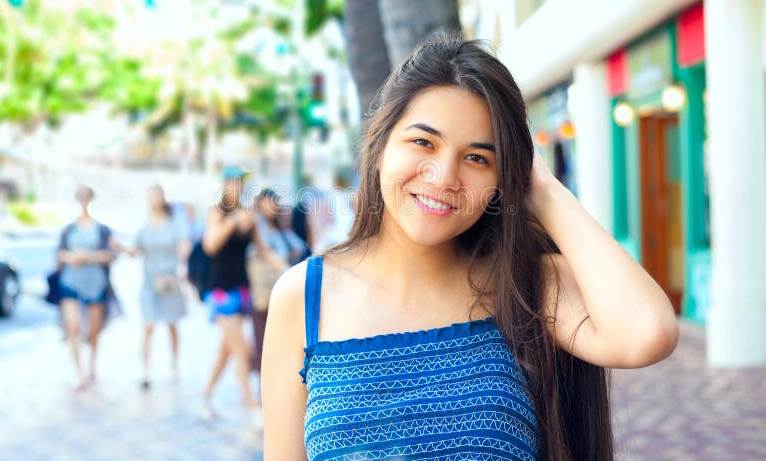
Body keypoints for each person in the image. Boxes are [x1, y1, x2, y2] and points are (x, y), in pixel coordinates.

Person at [261, 32, 679, 460]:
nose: (444, 177)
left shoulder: (524, 282)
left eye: (478, 158)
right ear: (380, 145)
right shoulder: (304, 296)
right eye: (423, 142)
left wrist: (544, 191)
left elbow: (647, 333)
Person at [200, 165, 260, 421]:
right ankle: (252, 407)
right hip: (221, 290)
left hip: (242, 288)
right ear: (224, 184)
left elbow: (262, 248)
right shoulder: (217, 213)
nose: (239, 186)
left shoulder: (247, 214)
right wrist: (232, 223)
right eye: (234, 181)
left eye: (241, 181)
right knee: (241, 349)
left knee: (226, 350)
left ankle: (206, 394)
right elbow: (210, 246)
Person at [127, 184, 191, 390]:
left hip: (170, 282)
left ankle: (174, 364)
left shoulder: (174, 222)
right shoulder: (144, 225)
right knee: (148, 326)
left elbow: (184, 243)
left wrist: (182, 262)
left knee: (172, 325)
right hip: (150, 283)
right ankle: (145, 371)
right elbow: (135, 249)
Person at [57, 185, 120, 391]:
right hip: (71, 281)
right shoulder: (68, 229)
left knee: (94, 330)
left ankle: (92, 366)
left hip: (95, 283)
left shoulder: (102, 229)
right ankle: (79, 372)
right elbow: (59, 254)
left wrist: (88, 256)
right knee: (72, 326)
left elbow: (110, 255)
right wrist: (71, 257)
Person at [248, 189, 304, 376]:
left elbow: (300, 247)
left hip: (279, 295)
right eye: (269, 202)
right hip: (264, 294)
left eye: (275, 202)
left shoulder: (281, 229)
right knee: (261, 343)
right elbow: (266, 251)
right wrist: (285, 268)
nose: (274, 206)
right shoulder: (257, 225)